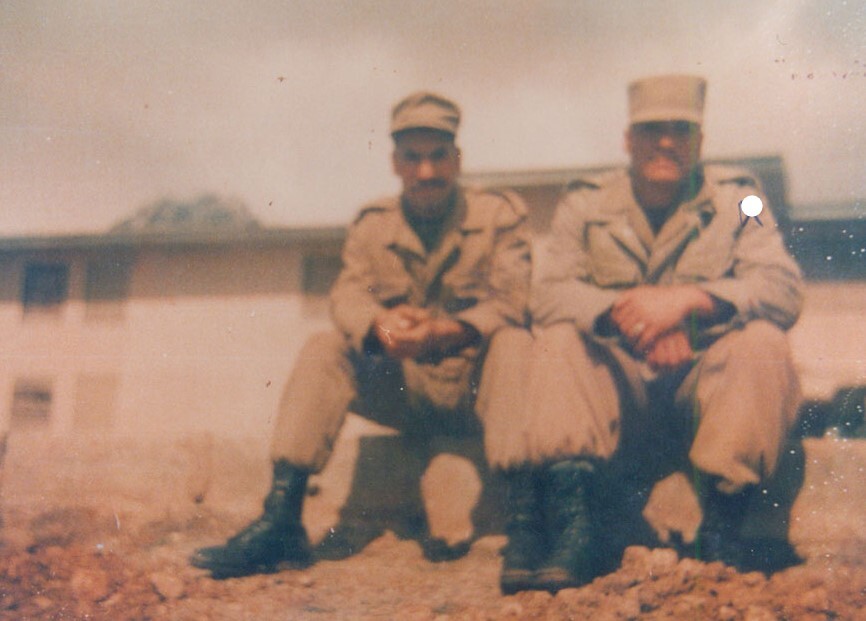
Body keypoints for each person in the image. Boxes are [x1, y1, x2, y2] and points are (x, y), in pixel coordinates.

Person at [190, 91, 533, 579]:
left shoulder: (499, 215)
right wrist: (379, 324)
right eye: (412, 157)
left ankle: (525, 523)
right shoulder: (373, 225)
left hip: (479, 394)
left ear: (457, 159)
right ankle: (282, 516)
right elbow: (347, 295)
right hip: (405, 389)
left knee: (515, 342)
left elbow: (513, 300)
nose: (426, 172)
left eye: (438, 156)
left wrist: (444, 333)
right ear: (395, 163)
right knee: (326, 347)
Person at [522, 74, 804, 591]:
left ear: (701, 140)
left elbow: (782, 286)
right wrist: (631, 315)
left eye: (682, 130)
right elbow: (547, 293)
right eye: (653, 130)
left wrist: (691, 301)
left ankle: (722, 530)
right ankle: (575, 528)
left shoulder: (743, 201)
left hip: (704, 394)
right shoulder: (585, 202)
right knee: (558, 339)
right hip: (619, 394)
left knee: (763, 341)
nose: (667, 143)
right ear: (628, 139)